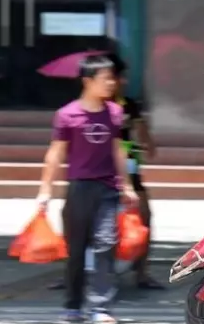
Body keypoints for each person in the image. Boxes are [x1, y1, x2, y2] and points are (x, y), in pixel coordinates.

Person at [36, 55, 139, 323]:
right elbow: (55, 155)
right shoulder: (67, 115)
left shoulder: (115, 113)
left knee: (106, 245)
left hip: (107, 189)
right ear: (87, 81)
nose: (111, 83)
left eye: (112, 79)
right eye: (105, 79)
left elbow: (118, 150)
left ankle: (101, 307)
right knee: (77, 251)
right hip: (78, 189)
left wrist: (127, 185)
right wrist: (45, 191)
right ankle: (73, 306)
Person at [106, 52, 162, 289]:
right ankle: (72, 273)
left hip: (129, 167)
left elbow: (146, 139)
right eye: (120, 77)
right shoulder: (89, 107)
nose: (124, 82)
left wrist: (145, 141)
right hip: (97, 172)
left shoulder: (129, 105)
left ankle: (141, 273)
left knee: (145, 217)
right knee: (79, 220)